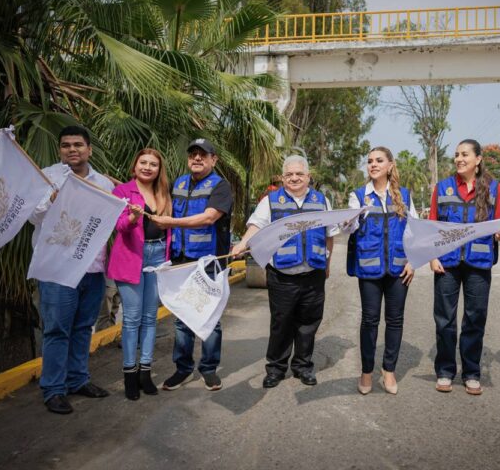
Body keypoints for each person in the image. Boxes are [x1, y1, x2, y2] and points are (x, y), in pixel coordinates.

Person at [231, 156, 337, 388]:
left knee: (309, 323)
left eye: (299, 174)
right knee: (282, 323)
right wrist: (242, 244)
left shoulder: (321, 201)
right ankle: (276, 368)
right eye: (289, 174)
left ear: (309, 177)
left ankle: (303, 366)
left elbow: (330, 235)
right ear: (282, 178)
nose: (294, 178)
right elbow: (256, 225)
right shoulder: (271, 201)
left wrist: (326, 263)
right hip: (282, 275)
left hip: (313, 273)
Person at [29, 125, 114, 414]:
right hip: (57, 270)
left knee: (82, 328)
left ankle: (78, 380)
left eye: (78, 144)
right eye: (66, 145)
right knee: (56, 330)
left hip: (91, 269)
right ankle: (53, 389)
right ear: (60, 150)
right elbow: (32, 216)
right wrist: (52, 199)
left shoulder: (103, 183)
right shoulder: (47, 177)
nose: (72, 149)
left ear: (89, 149)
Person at [150, 139, 233, 392]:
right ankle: (182, 369)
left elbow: (209, 218)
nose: (197, 159)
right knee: (182, 318)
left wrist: (170, 223)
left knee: (210, 317)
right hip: (180, 260)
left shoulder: (221, 186)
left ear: (213, 159)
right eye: (193, 155)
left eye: (203, 155)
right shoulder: (179, 183)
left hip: (208, 262)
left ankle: (208, 369)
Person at [428, 139, 500, 396]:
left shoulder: (494, 188)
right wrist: (432, 256)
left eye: (465, 154)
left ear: (478, 159)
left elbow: (499, 223)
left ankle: (472, 372)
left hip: (479, 262)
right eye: (456, 155)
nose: (459, 159)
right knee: (445, 320)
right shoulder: (442, 188)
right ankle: (445, 370)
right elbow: (432, 225)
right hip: (447, 263)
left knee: (475, 318)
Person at [345, 147, 417, 395]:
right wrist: (349, 220)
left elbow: (414, 231)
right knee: (370, 320)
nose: (373, 165)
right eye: (369, 161)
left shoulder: (404, 195)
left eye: (378, 161)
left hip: (399, 269)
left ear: (390, 165)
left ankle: (389, 370)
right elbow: (350, 228)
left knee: (395, 321)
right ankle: (366, 371)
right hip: (369, 269)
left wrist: (413, 261)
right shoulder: (358, 195)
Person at [107, 149, 172, 400]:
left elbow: (169, 228)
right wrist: (133, 217)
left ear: (159, 169)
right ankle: (129, 374)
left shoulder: (163, 193)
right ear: (135, 166)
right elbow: (119, 226)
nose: (147, 167)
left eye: (153, 164)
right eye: (143, 163)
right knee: (132, 318)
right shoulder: (122, 191)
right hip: (131, 257)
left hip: (158, 257)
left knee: (150, 318)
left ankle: (146, 371)